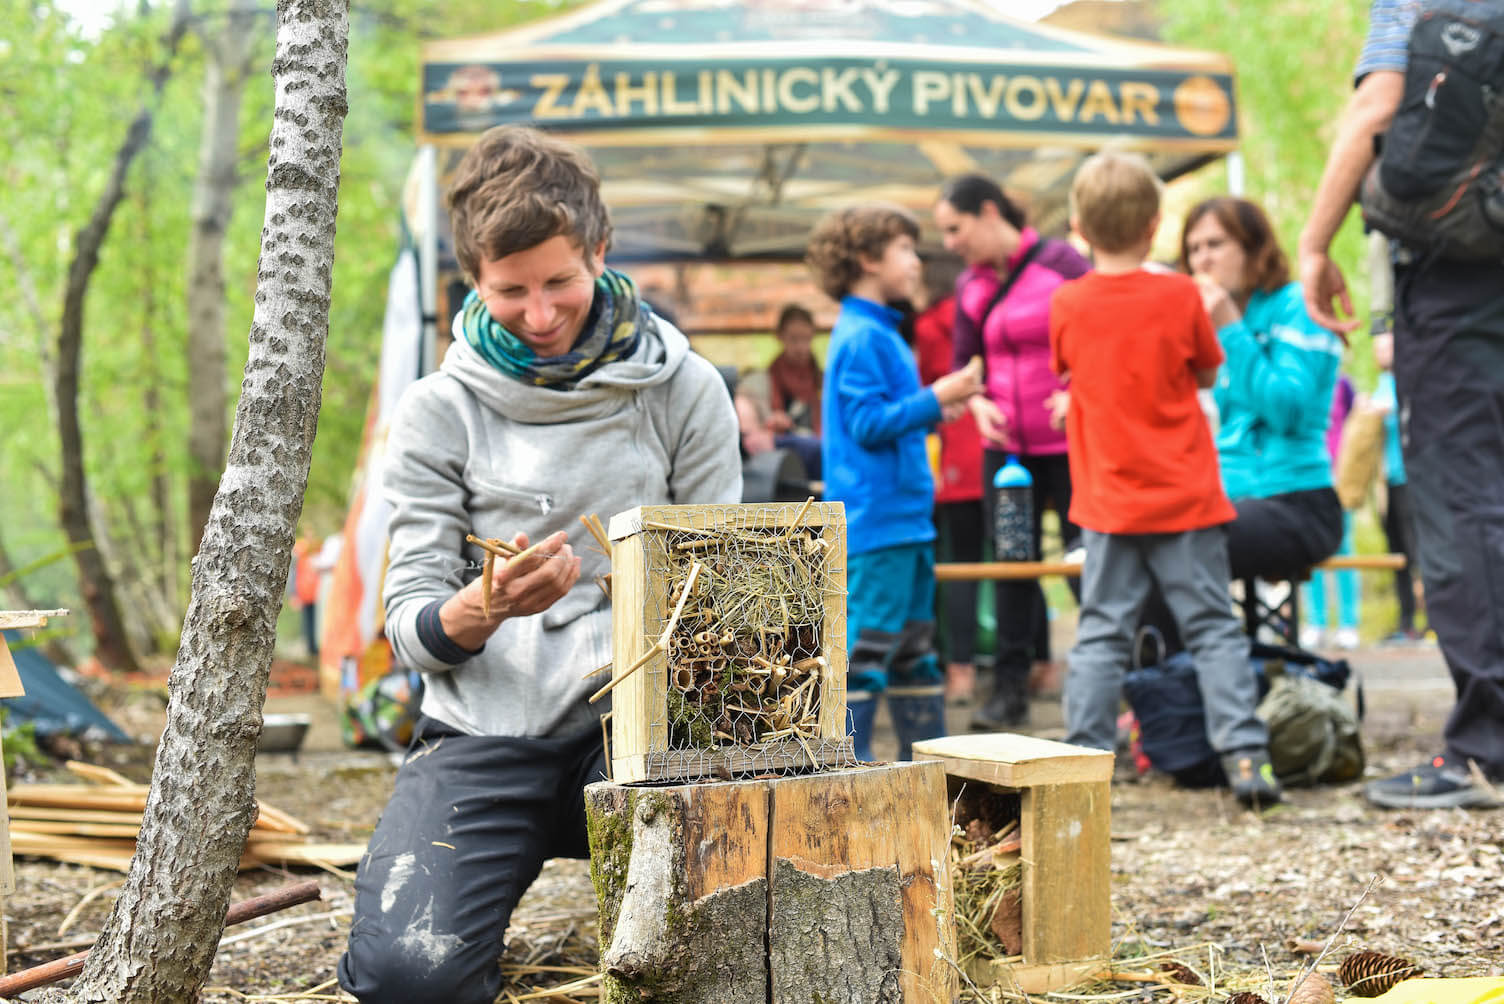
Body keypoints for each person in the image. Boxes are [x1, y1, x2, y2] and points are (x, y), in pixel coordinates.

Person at [338, 125, 741, 1004]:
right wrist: (477, 612)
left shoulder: (683, 389)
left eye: (560, 280)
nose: (542, 312)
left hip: (645, 732)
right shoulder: (438, 411)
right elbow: (409, 624)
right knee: (407, 979)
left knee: (717, 962)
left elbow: (729, 589)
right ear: (473, 282)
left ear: (600, 250)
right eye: (510, 290)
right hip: (490, 728)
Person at [1299, 0, 1504, 808]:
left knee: (1461, 499)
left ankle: (1486, 749)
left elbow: (1376, 108)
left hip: (1456, 275)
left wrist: (1315, 245)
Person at [1050, 151, 1280, 806]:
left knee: (1101, 632)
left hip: (1109, 504)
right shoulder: (1182, 295)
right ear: (1155, 226)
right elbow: (1207, 373)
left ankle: (1083, 767)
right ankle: (1246, 759)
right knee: (1213, 627)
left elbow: (1071, 371)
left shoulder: (1067, 301)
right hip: (1186, 498)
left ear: (1078, 226)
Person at [808, 204, 983, 761]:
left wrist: (931, 410)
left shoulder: (879, 332)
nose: (916, 261)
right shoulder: (862, 337)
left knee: (914, 650)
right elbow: (866, 423)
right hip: (878, 523)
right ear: (867, 259)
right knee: (869, 650)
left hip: (905, 522)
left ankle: (925, 773)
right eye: (906, 249)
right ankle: (848, 779)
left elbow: (887, 416)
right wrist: (938, 396)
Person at [935, 174, 1089, 731]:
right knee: (1012, 566)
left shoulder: (1064, 264)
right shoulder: (970, 286)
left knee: (1085, 560)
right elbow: (965, 368)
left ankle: (1111, 682)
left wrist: (1075, 394)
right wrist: (977, 408)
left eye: (956, 228)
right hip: (1007, 455)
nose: (950, 242)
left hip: (1071, 447)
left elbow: (1097, 341)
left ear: (989, 210)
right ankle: (1008, 694)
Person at [912, 259, 984, 704]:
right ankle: (1042, 665)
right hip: (995, 449)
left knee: (959, 565)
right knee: (1017, 561)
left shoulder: (928, 324)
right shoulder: (973, 314)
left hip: (957, 452)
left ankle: (960, 669)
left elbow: (925, 393)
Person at [1300, 374, 1362, 650]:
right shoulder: (1297, 383)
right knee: (1308, 553)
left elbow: (1357, 422)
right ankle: (1316, 622)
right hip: (1306, 479)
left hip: (1339, 479)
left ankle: (1348, 623)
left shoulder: (1343, 385)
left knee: (1344, 550)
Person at [1371, 328, 1422, 643]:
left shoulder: (1409, 382)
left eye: (1387, 347)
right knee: (1397, 554)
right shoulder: (1379, 386)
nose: (1382, 354)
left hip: (1410, 482)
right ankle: (1407, 622)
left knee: (1418, 553)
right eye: (1378, 349)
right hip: (1386, 484)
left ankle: (1435, 620)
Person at [767, 303, 823, 436]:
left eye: (806, 339)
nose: (800, 347)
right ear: (780, 336)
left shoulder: (816, 372)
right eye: (793, 339)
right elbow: (776, 409)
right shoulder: (776, 372)